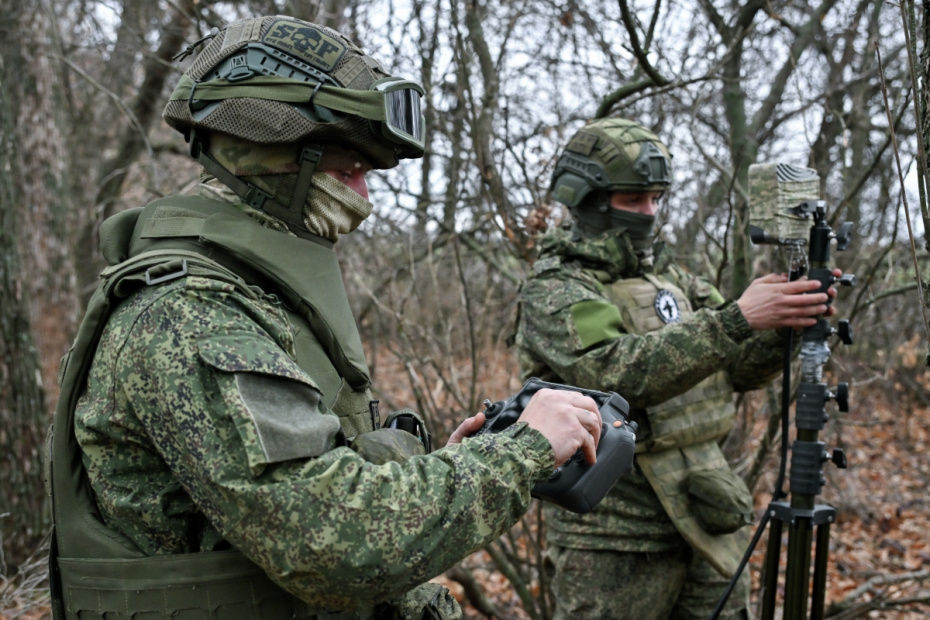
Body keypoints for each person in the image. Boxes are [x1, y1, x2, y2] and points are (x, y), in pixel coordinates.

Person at [46, 16, 604, 620]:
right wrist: (520, 452)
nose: (364, 196)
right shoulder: (189, 314)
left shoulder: (255, 294)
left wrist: (447, 465)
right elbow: (331, 543)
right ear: (274, 156)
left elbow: (302, 482)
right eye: (346, 171)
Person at [515, 117, 840, 620]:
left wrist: (784, 321)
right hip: (616, 535)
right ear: (590, 200)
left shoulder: (672, 278)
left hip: (706, 512)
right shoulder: (557, 286)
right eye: (633, 200)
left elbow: (738, 370)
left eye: (656, 199)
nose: (648, 213)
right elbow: (612, 373)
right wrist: (735, 319)